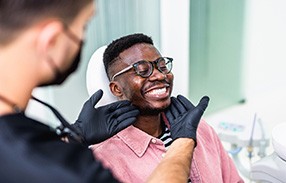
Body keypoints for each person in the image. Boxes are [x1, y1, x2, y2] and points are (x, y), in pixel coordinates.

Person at [0, 1, 209, 182]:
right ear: (52, 40)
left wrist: (75, 135)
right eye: (83, 26)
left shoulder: (23, 148)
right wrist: (183, 142)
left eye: (161, 66)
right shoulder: (76, 168)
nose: (157, 76)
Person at [88, 33, 244, 183]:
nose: (160, 75)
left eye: (162, 66)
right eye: (142, 70)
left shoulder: (199, 129)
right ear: (117, 89)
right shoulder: (103, 160)